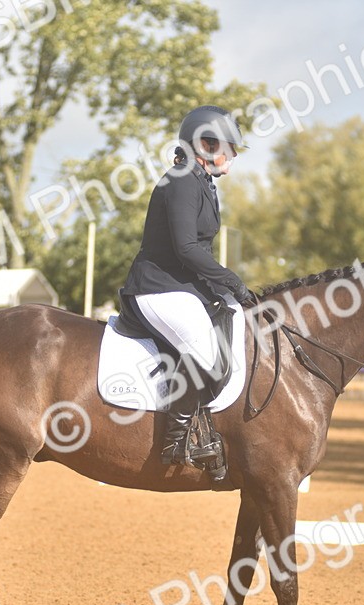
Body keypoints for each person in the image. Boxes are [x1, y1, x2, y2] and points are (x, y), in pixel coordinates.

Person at [118, 105, 258, 471]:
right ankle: (176, 442)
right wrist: (231, 281)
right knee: (206, 354)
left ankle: (205, 428)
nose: (235, 156)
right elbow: (186, 249)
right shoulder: (181, 179)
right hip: (157, 288)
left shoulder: (200, 182)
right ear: (207, 144)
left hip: (183, 286)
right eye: (231, 147)